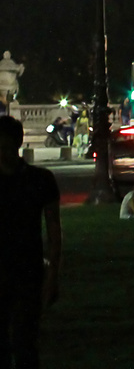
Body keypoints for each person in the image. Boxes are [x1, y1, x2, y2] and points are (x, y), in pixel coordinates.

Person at [0, 115, 60, 368]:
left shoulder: (41, 180)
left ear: (17, 144)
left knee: (25, 343)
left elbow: (54, 232)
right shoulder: (39, 179)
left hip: (27, 271)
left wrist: (52, 275)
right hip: (18, 269)